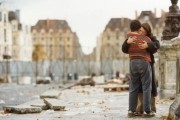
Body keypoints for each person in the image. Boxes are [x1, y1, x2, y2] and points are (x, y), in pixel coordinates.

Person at [122, 20, 154, 117]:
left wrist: (128, 43)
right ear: (139, 27)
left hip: (133, 63)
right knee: (147, 87)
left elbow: (124, 50)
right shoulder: (146, 39)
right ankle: (147, 111)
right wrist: (147, 45)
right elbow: (154, 49)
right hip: (144, 62)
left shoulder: (128, 38)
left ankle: (131, 111)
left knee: (133, 87)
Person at [135, 23, 160, 115]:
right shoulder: (135, 37)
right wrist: (127, 42)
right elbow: (125, 48)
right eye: (140, 30)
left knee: (151, 87)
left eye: (143, 30)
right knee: (139, 87)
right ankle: (139, 109)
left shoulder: (152, 38)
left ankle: (152, 109)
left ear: (147, 31)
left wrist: (148, 45)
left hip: (149, 64)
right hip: (137, 65)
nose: (141, 32)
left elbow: (157, 45)